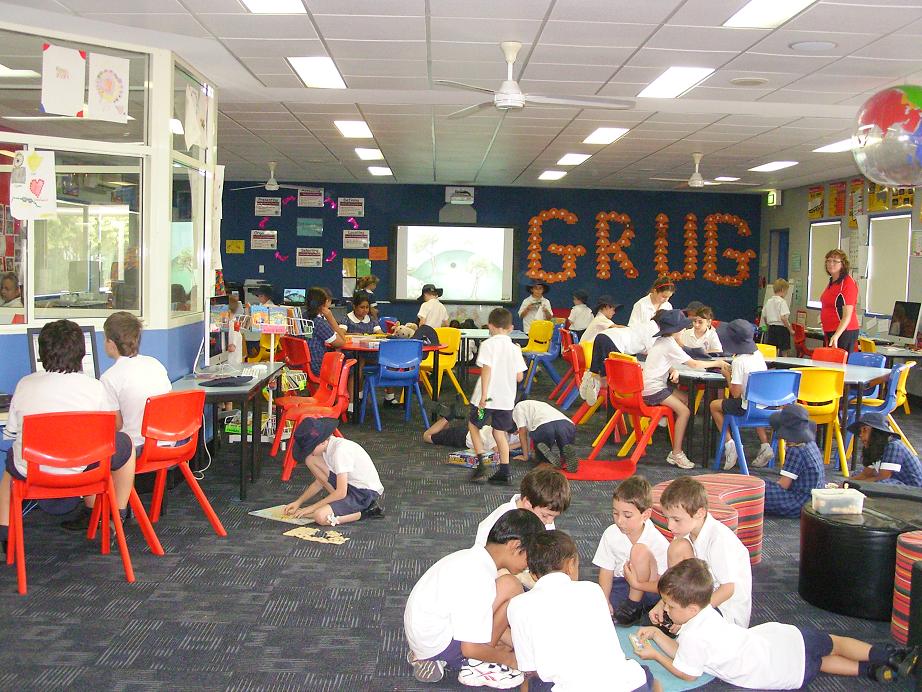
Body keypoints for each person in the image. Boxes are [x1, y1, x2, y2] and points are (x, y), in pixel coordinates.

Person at [635, 557, 917, 687]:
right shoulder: (707, 612)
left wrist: (655, 655)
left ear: (692, 608)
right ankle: (888, 656)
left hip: (778, 672)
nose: (667, 611)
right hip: (779, 643)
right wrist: (659, 638)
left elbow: (687, 671)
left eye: (671, 606)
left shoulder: (694, 636)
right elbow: (687, 656)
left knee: (819, 665)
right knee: (834, 643)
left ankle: (871, 672)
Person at [0, 320, 137, 550]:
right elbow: (109, 431)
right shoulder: (95, 388)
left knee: (9, 470)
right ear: (82, 353)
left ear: (42, 353)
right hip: (82, 470)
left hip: (34, 472)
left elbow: (12, 433)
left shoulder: (25, 385)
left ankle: (6, 533)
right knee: (125, 444)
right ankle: (116, 515)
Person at [404, 508, 544, 687]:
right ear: (515, 546)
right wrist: (511, 660)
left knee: (510, 585)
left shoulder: (470, 558)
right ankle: (472, 665)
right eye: (530, 558)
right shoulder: (479, 577)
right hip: (438, 645)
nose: (528, 566)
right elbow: (470, 648)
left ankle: (425, 656)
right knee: (510, 595)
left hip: (426, 635)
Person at [61, 312, 172, 531]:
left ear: (110, 343)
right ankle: (110, 508)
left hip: (138, 449)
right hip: (168, 442)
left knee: (93, 446)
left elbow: (115, 425)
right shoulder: (155, 364)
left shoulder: (110, 377)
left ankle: (94, 512)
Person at [507, 530, 657, 692]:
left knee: (527, 683)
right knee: (646, 676)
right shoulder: (593, 590)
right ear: (571, 565)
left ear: (533, 575)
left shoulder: (518, 605)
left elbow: (530, 667)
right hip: (628, 686)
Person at [649, 476, 752, 630]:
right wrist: (663, 604)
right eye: (667, 518)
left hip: (725, 611)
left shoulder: (719, 539)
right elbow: (681, 580)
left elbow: (728, 589)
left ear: (700, 513)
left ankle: (681, 619)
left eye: (676, 519)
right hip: (697, 600)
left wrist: (691, 617)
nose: (670, 526)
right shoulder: (687, 532)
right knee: (677, 547)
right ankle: (675, 610)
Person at [642, 310, 728, 470]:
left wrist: (672, 369)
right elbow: (694, 364)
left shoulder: (662, 341)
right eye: (681, 327)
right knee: (685, 412)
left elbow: (661, 360)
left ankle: (675, 431)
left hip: (651, 386)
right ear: (674, 330)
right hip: (654, 389)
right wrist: (718, 363)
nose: (683, 330)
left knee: (686, 398)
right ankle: (676, 452)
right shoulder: (669, 344)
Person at [593, 475, 669, 626]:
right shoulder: (611, 533)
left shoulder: (657, 540)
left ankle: (635, 606)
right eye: (615, 513)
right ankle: (637, 611)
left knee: (639, 551)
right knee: (596, 609)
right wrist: (604, 600)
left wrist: (638, 586)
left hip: (649, 589)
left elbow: (663, 583)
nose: (620, 520)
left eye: (627, 515)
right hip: (621, 584)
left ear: (646, 515)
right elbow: (606, 571)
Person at [282, 417, 384, 524]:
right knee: (310, 459)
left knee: (320, 517)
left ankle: (366, 512)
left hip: (364, 493)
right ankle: (337, 506)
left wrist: (312, 508)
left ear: (321, 442)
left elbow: (341, 492)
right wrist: (299, 502)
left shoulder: (340, 452)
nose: (310, 452)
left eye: (310, 448)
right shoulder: (328, 447)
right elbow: (319, 483)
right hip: (349, 486)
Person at [469, 308, 527, 486]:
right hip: (506, 400)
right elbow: (519, 377)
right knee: (499, 432)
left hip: (486, 401)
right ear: (510, 327)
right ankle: (504, 470)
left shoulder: (488, 344)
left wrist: (484, 395)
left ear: (490, 326)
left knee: (474, 425)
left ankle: (481, 465)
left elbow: (486, 370)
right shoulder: (515, 348)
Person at [708, 319, 772, 470]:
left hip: (747, 408)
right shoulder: (758, 355)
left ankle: (730, 444)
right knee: (752, 400)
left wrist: (727, 375)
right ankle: (765, 444)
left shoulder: (739, 361)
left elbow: (735, 394)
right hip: (765, 406)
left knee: (714, 405)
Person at [473, 467, 570, 547]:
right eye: (545, 516)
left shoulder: (544, 518)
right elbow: (482, 552)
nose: (550, 521)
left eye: (554, 517)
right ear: (527, 504)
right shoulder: (500, 518)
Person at [764, 405, 826, 517]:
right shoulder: (810, 444)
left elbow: (783, 484)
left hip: (799, 503)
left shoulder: (795, 450)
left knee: (760, 490)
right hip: (813, 497)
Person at [848, 412, 922, 487]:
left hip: (913, 488)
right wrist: (847, 483)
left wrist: (855, 486)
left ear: (876, 433)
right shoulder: (876, 447)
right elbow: (865, 474)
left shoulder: (893, 446)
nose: (860, 435)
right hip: (894, 480)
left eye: (865, 430)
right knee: (857, 474)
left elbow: (883, 477)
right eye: (860, 431)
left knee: (882, 484)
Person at [422, 410, 522, 459]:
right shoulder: (497, 433)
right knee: (427, 436)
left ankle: (447, 420)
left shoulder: (510, 429)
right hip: (461, 437)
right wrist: (520, 443)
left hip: (468, 432)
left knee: (443, 433)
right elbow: (497, 449)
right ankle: (448, 417)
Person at [511, 399, 578, 473]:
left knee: (541, 447)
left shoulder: (517, 408)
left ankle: (545, 462)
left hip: (544, 427)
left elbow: (522, 432)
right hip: (567, 425)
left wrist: (525, 456)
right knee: (564, 444)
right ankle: (564, 458)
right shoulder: (539, 404)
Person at [819, 249, 860, 352]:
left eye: (835, 261)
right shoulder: (832, 281)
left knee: (839, 365)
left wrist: (836, 335)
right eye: (828, 261)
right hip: (830, 329)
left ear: (842, 264)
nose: (830, 264)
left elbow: (847, 315)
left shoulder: (847, 283)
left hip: (844, 331)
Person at [304, 287, 346, 377]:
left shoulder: (302, 316)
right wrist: (330, 318)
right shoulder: (319, 323)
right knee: (349, 368)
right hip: (316, 366)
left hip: (301, 364)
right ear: (326, 302)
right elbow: (341, 342)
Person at [761, 278, 794, 354]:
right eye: (786, 291)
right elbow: (783, 318)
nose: (786, 294)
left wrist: (768, 325)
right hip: (782, 329)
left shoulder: (769, 301)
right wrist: (790, 329)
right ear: (783, 290)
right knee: (784, 350)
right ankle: (784, 364)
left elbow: (764, 316)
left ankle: (773, 365)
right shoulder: (782, 302)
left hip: (772, 328)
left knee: (773, 350)